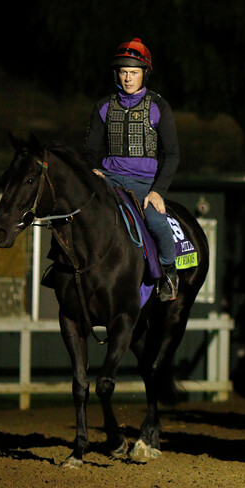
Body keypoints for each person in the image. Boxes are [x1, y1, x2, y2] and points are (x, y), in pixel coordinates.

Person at [84, 38, 180, 301]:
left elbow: (172, 154)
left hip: (144, 183)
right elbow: (91, 149)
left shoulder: (159, 107)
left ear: (144, 74)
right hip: (109, 179)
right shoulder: (103, 106)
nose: (128, 78)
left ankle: (169, 273)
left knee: (157, 221)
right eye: (124, 72)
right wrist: (93, 169)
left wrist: (158, 191)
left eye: (134, 73)